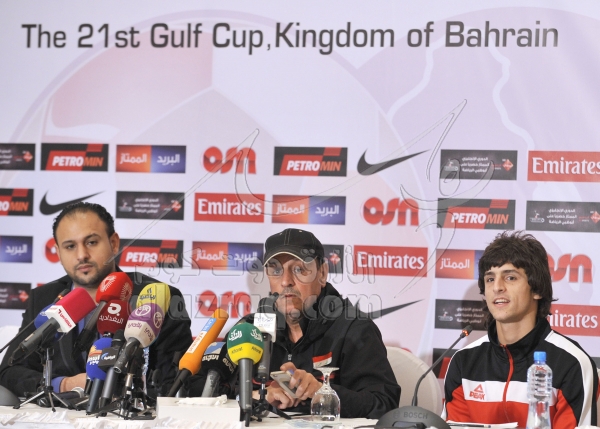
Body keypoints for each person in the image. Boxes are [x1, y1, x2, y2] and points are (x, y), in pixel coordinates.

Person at [188, 228, 400, 419]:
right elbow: (198, 388)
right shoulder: (250, 330)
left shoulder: (354, 329)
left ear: (322, 274)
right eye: (276, 270)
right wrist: (255, 396)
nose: (285, 281)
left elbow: (384, 403)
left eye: (299, 269)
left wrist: (322, 393)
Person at [0, 202, 193, 397]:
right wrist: (65, 385)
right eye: (70, 246)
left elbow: (177, 382)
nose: (82, 255)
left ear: (114, 243)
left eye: (91, 242)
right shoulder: (44, 298)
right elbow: (10, 371)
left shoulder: (157, 297)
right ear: (58, 252)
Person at [442, 231, 598, 428]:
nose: (497, 287)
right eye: (490, 279)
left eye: (510, 278)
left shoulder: (571, 363)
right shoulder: (463, 361)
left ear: (537, 290)